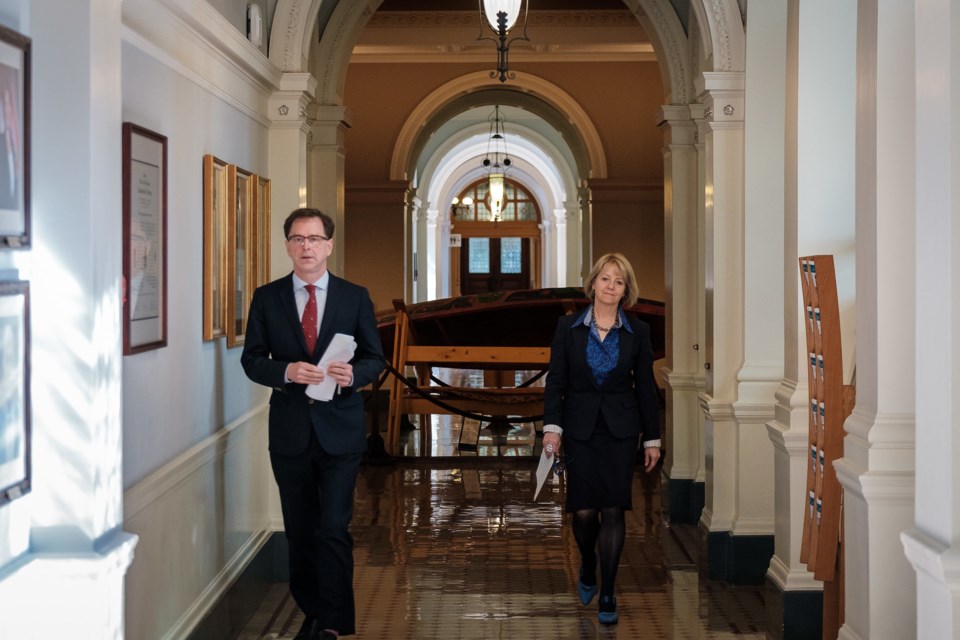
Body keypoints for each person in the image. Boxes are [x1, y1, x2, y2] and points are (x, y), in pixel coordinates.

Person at [241, 208, 385, 640]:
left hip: (340, 432)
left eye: (314, 239)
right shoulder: (267, 298)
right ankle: (314, 610)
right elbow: (252, 360)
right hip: (290, 433)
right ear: (287, 245)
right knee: (301, 531)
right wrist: (286, 372)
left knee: (332, 528)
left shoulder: (353, 296)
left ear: (329, 245)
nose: (306, 247)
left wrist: (353, 376)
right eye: (298, 239)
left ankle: (335, 623)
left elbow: (375, 358)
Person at [542, 252, 661, 626]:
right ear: (592, 283)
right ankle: (588, 564)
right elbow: (556, 381)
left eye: (619, 281)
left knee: (613, 508)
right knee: (583, 511)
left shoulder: (637, 331)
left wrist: (652, 438)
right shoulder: (568, 327)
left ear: (626, 290)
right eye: (605, 279)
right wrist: (551, 428)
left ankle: (608, 589)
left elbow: (645, 386)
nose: (611, 286)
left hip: (621, 432)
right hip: (578, 429)